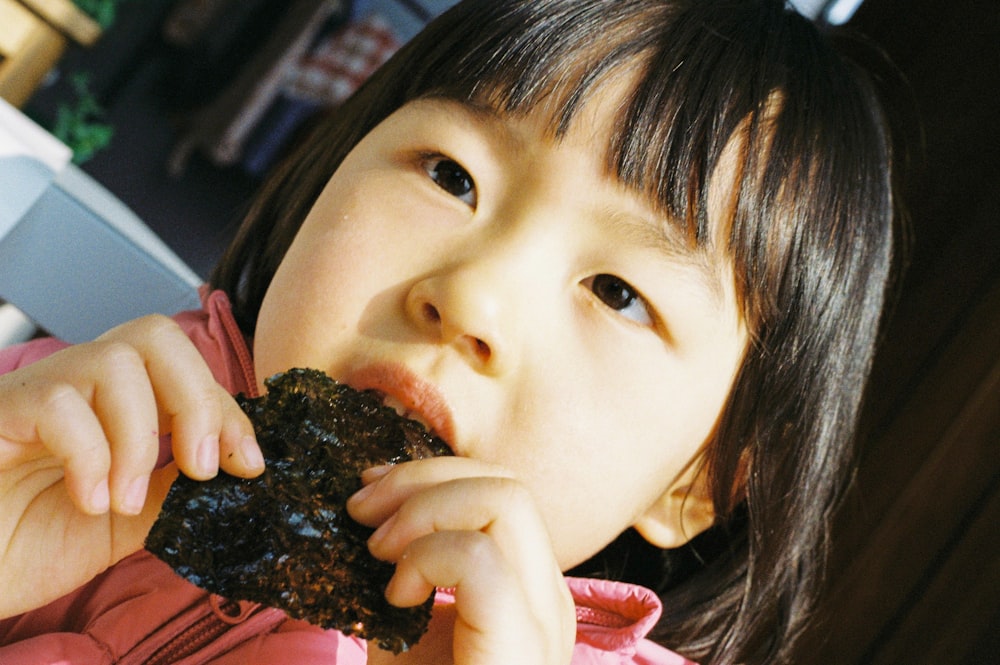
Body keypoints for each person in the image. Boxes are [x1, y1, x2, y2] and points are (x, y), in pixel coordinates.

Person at [0, 0, 896, 663]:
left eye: (620, 291)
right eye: (451, 175)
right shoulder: (85, 427)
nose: (472, 300)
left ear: (695, 485)